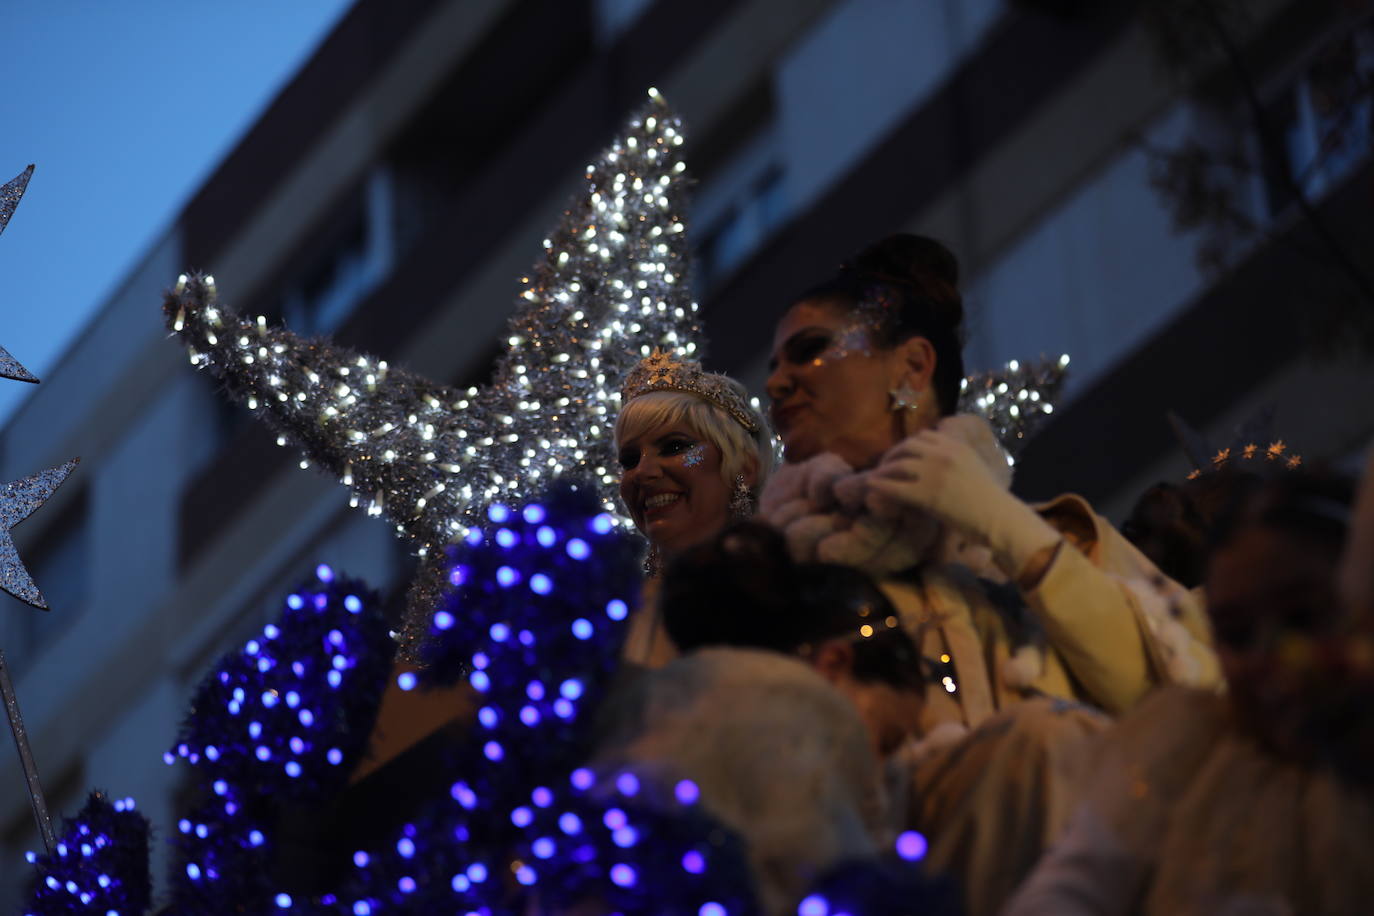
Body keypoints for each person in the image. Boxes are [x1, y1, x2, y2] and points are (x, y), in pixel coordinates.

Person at [758, 233, 1215, 915]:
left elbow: (1185, 701)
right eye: (773, 364)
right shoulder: (766, 583)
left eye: (809, 350)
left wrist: (1005, 529)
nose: (776, 382)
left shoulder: (1060, 539)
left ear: (911, 367)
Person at [1007, 469, 1374, 915]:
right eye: (1238, 633)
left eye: (1300, 618)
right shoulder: (1186, 752)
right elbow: (1073, 888)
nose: (1267, 656)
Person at [593, 522, 931, 915]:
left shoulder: (649, 712)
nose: (877, 768)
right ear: (832, 664)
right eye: (882, 741)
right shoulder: (789, 742)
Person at [613, 350, 774, 665]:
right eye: (630, 460)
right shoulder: (615, 617)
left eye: (674, 446)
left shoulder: (796, 585)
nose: (643, 473)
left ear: (744, 468)